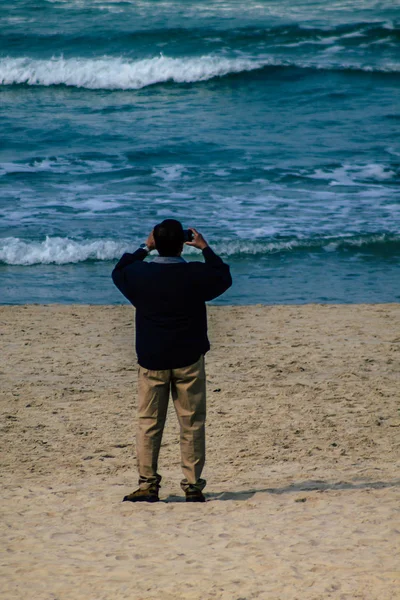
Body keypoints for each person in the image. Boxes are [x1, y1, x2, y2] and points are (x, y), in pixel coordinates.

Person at [112, 219, 232, 503]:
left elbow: (119, 271)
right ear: (182, 244)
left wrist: (144, 247)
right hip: (188, 357)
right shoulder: (195, 274)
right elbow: (223, 276)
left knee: (149, 422)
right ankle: (192, 485)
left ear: (156, 243)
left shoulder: (140, 275)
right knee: (191, 422)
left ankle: (148, 483)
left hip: (153, 357)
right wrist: (205, 248)